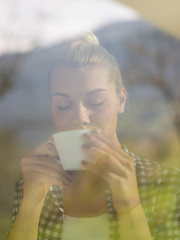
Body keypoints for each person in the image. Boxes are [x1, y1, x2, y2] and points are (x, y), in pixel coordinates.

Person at [7, 32, 180, 240]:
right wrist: (30, 206)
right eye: (64, 104)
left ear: (121, 100)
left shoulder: (169, 184)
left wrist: (130, 205)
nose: (80, 118)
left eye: (96, 101)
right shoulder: (36, 183)